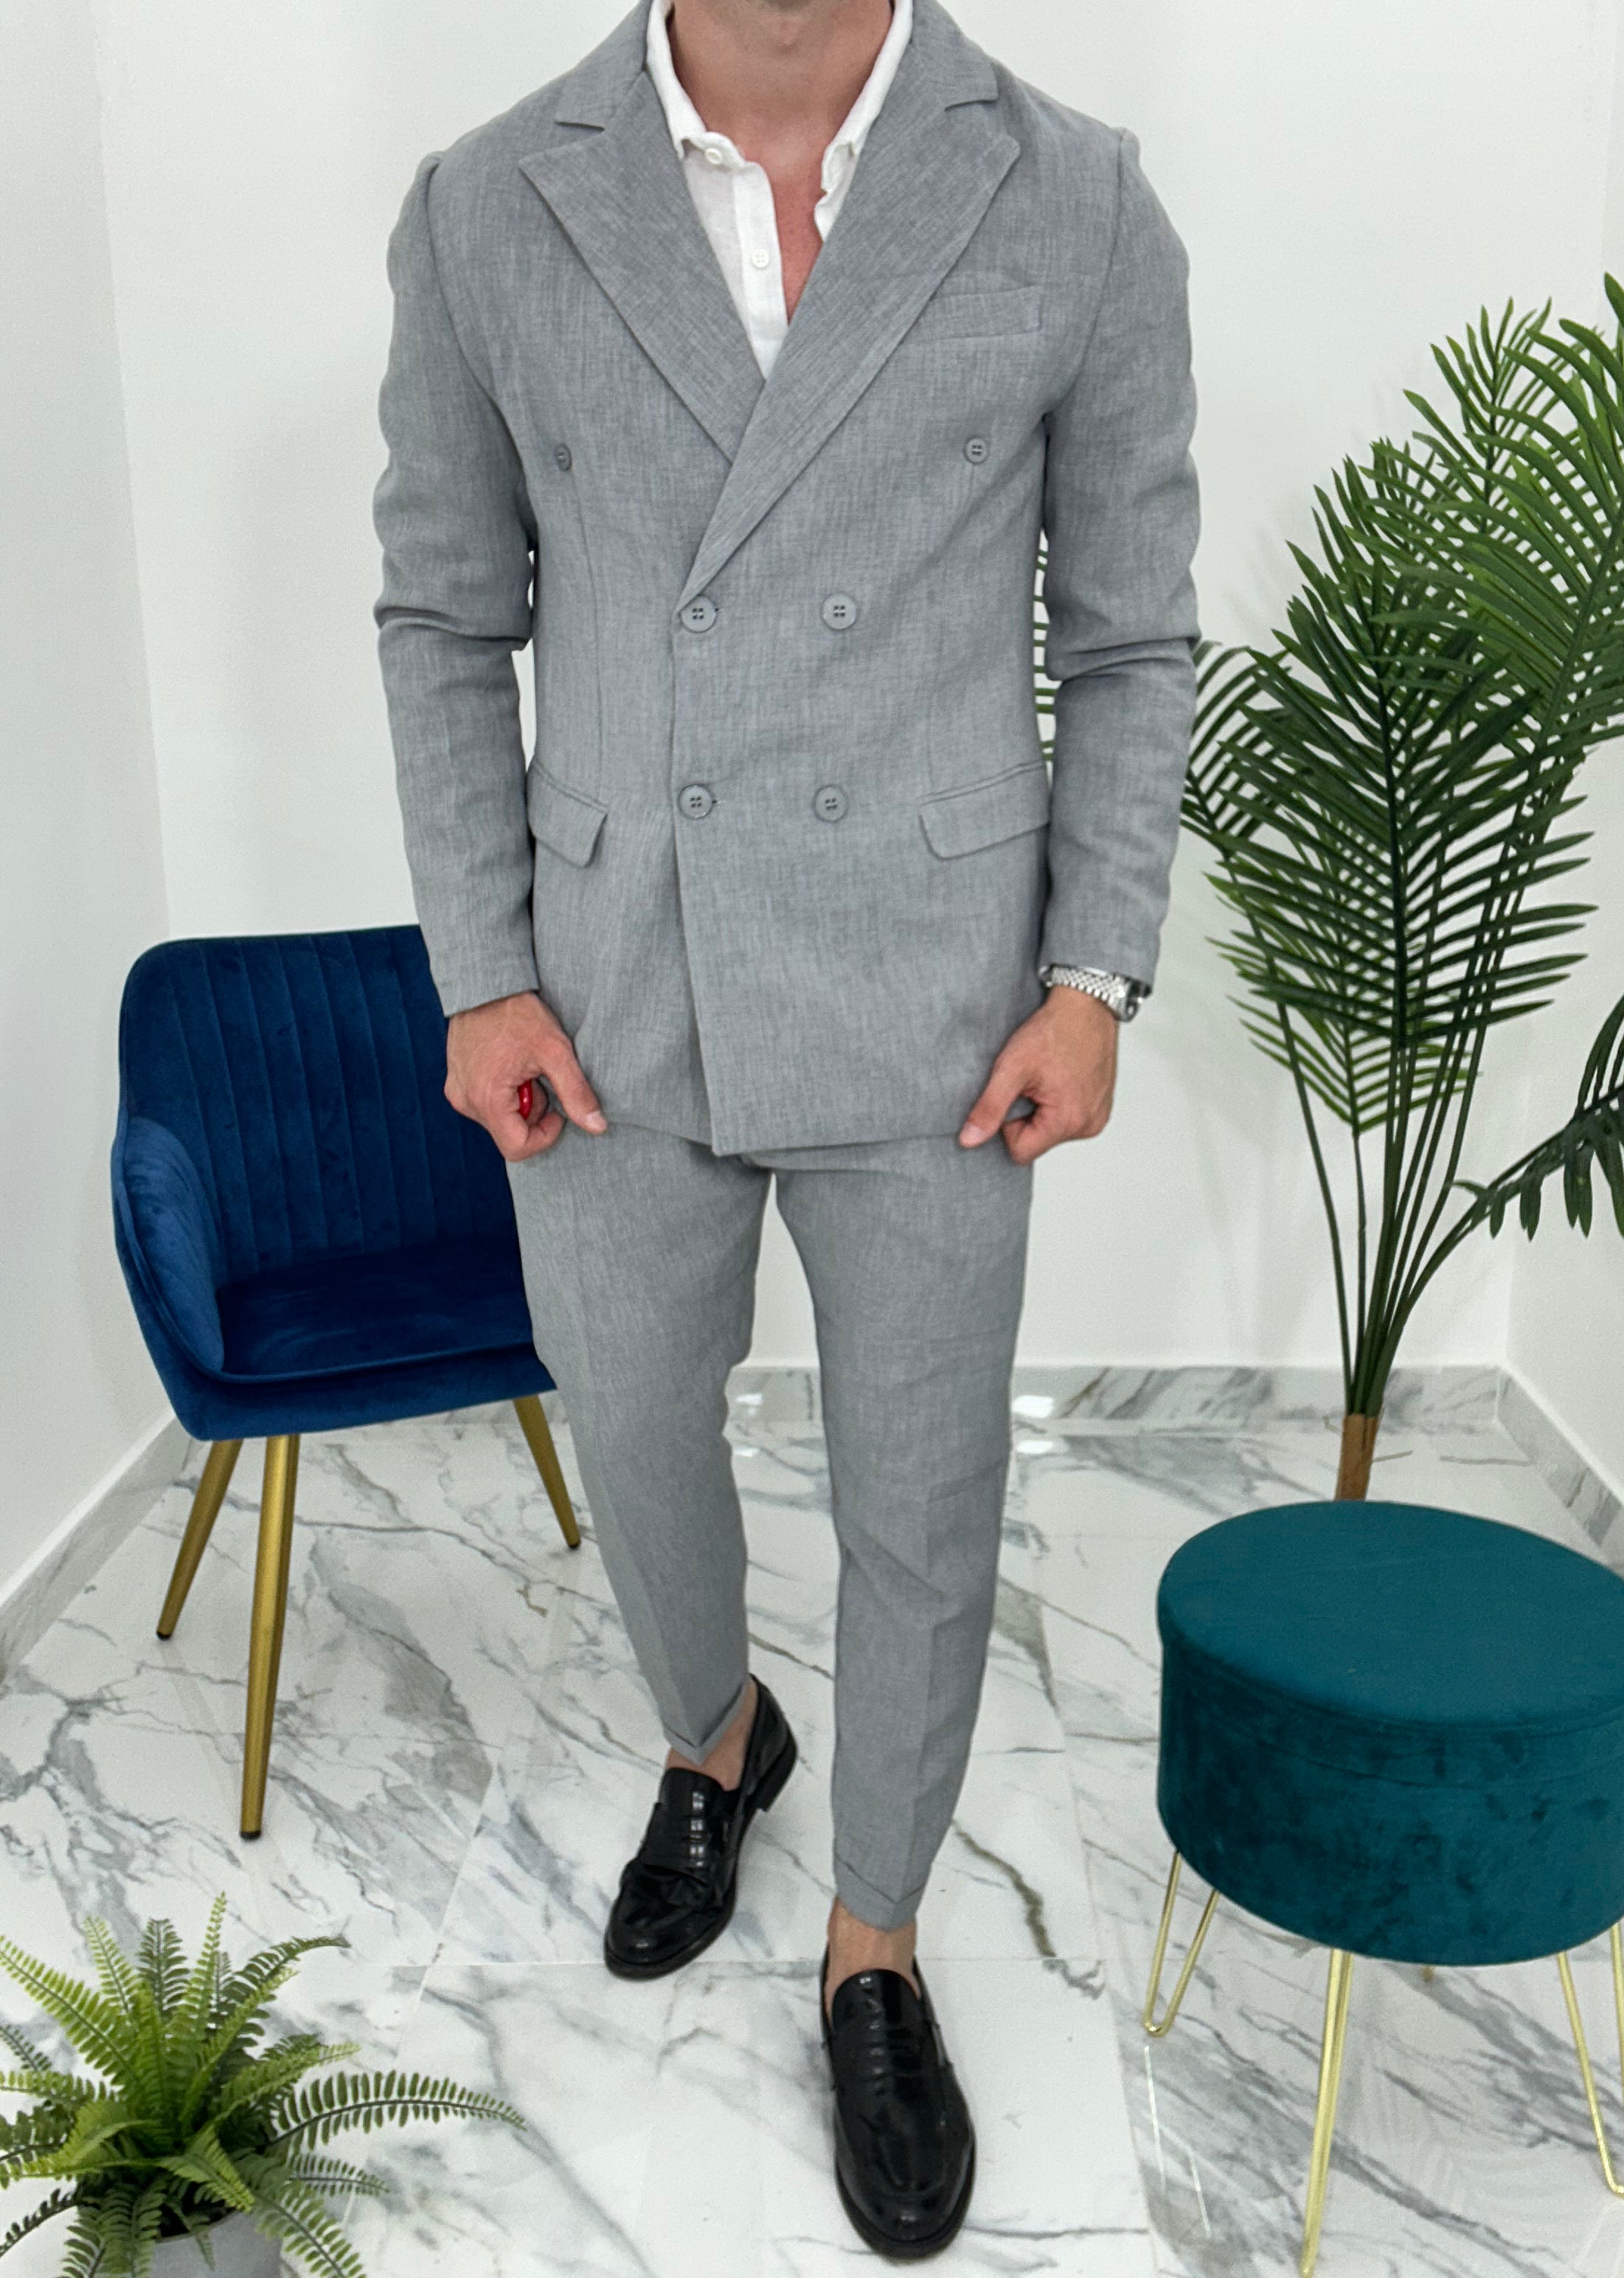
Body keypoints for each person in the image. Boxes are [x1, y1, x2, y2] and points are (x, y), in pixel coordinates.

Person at [372, 0, 1198, 2253]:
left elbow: (1129, 639)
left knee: (919, 1497)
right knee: (635, 1432)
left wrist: (1092, 972)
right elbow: (445, 617)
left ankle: (874, 1941)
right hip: (601, 993)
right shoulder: (484, 200)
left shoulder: (1073, 193)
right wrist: (482, 968)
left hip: (940, 1003)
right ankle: (717, 1738)